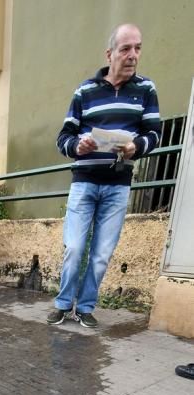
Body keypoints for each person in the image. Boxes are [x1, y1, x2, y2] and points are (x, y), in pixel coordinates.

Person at [47, 24, 161, 328]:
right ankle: (62, 303)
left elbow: (155, 133)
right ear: (109, 54)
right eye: (125, 49)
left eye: (137, 48)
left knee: (101, 254)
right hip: (84, 181)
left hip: (118, 184)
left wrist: (137, 146)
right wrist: (78, 146)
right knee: (73, 247)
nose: (133, 55)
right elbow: (63, 138)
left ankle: (85, 306)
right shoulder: (85, 91)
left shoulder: (146, 90)